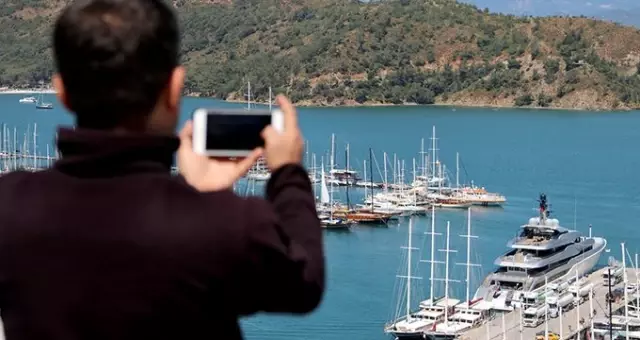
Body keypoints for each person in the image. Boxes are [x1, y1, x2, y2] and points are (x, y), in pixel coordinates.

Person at [0, 0, 324, 339]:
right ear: (173, 88)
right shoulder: (224, 223)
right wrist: (287, 173)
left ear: (62, 92)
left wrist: (198, 197)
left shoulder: (10, 207)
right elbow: (305, 281)